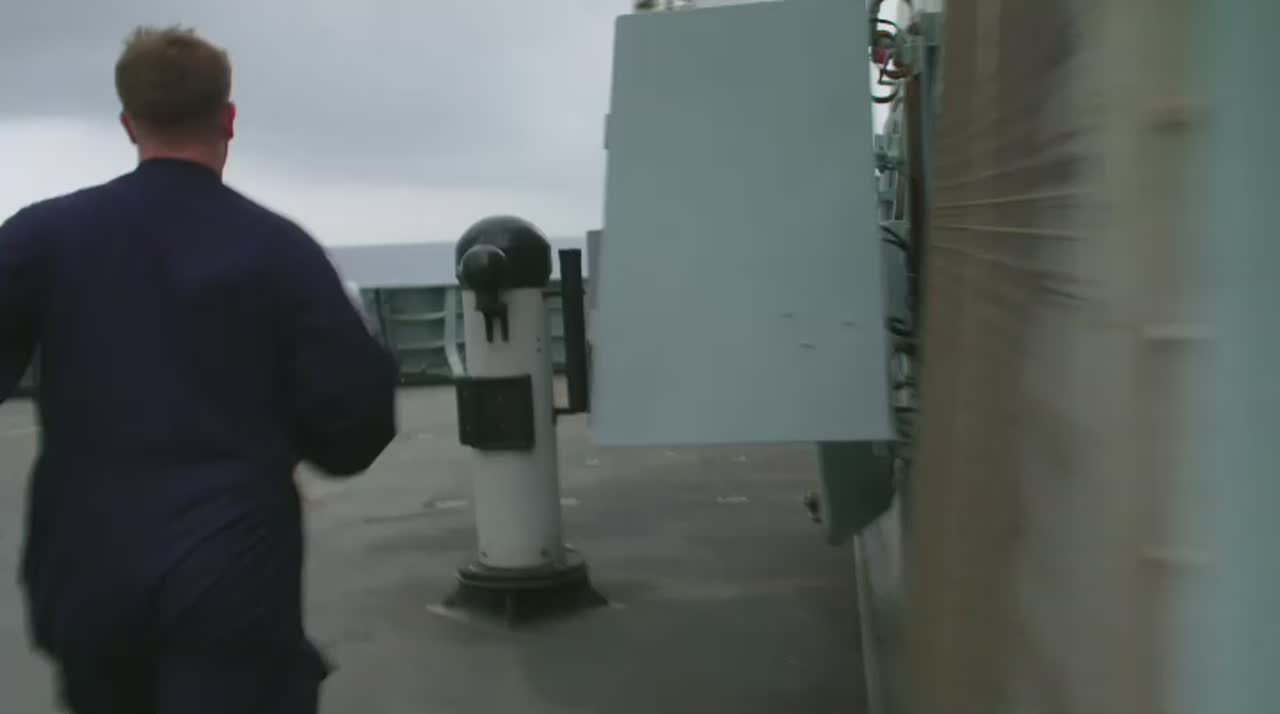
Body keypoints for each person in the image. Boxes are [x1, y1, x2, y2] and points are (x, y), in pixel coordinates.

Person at [0, 25, 400, 714]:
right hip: (231, 571)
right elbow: (357, 424)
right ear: (228, 118)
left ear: (129, 124)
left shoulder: (41, 237)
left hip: (86, 567)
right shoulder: (281, 250)